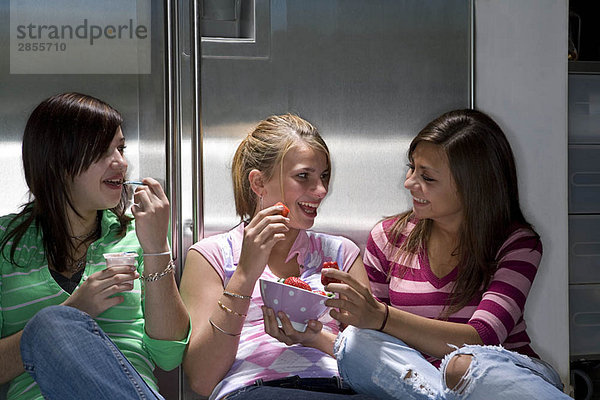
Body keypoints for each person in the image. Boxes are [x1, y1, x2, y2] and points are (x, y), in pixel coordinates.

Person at [266, 109, 570, 399]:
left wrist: (381, 316)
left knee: (464, 366)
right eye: (412, 168)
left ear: (472, 186)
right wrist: (313, 336)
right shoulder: (388, 238)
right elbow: (375, 346)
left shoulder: (516, 244)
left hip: (505, 377)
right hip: (417, 381)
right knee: (356, 343)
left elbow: (483, 337)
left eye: (427, 177)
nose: (409, 183)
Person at [0, 92, 190, 400]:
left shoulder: (137, 236)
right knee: (50, 323)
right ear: (59, 159)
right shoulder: (4, 243)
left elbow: (169, 355)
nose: (121, 163)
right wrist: (75, 310)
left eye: (120, 148)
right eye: (103, 151)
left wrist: (156, 249)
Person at [180, 114, 374, 400]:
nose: (320, 191)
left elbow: (373, 360)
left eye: (324, 176)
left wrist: (316, 338)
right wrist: (245, 275)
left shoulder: (341, 253)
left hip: (341, 388)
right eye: (303, 176)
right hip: (257, 391)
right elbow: (202, 378)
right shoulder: (211, 256)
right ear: (259, 183)